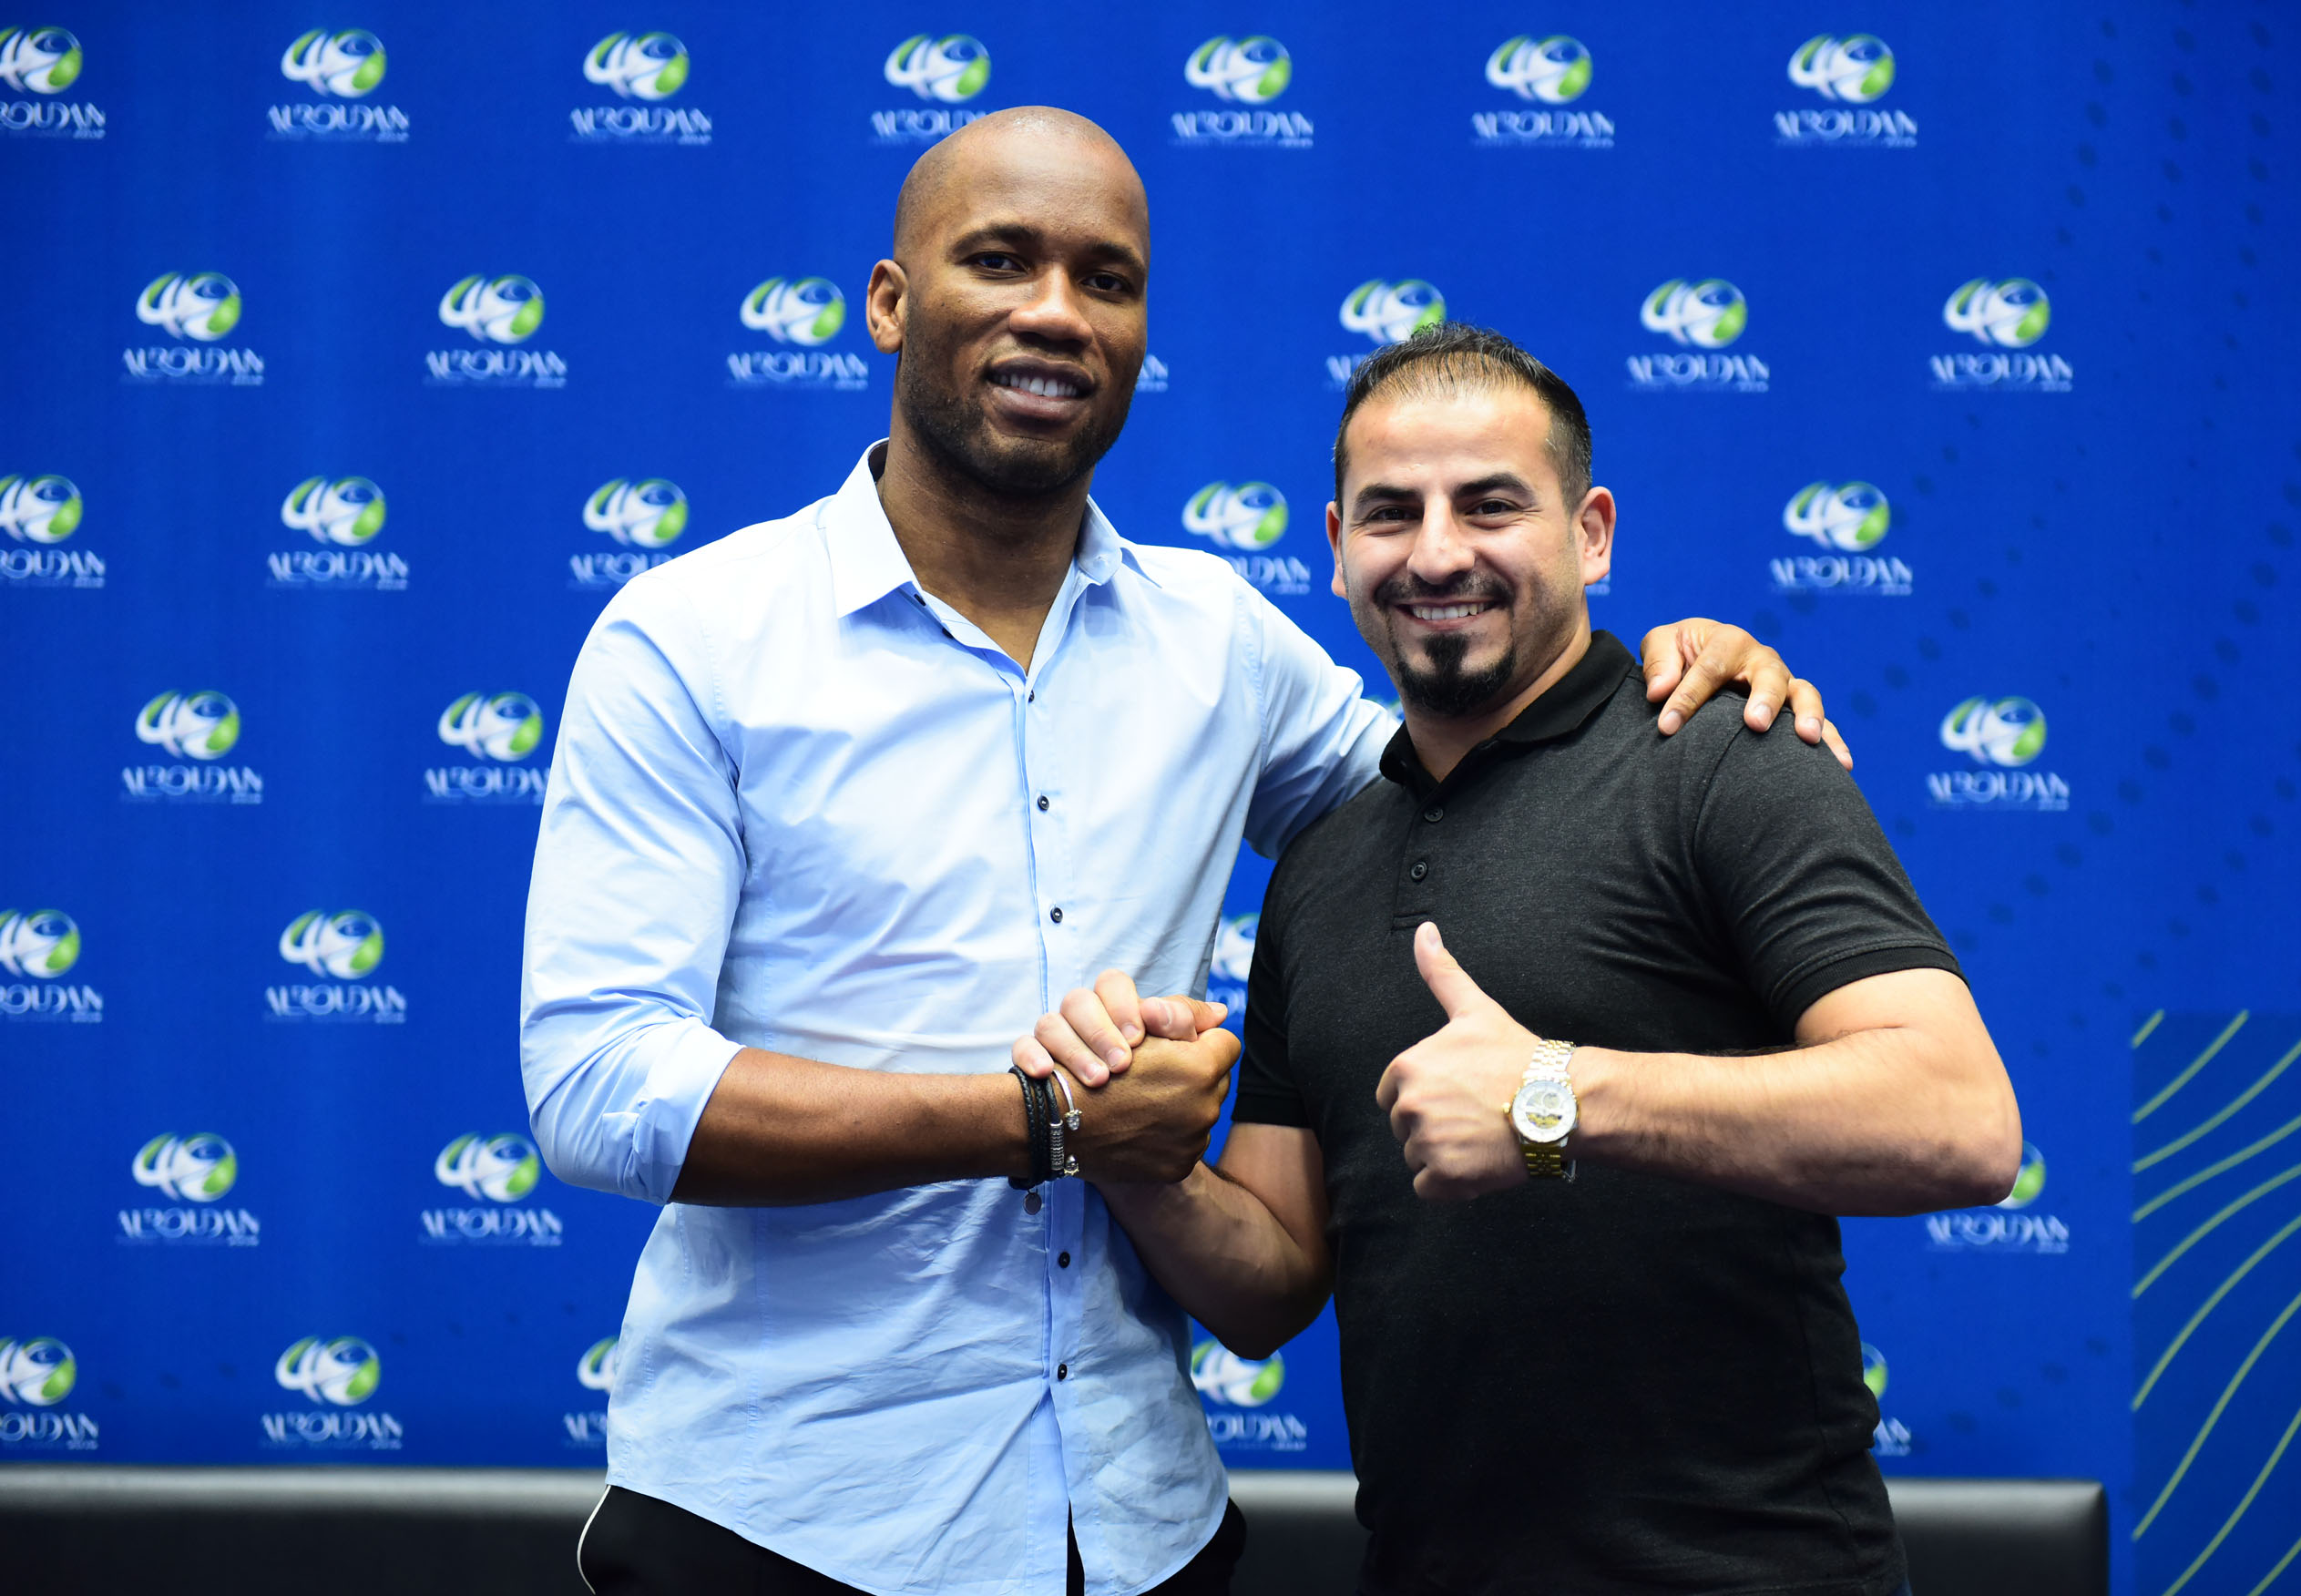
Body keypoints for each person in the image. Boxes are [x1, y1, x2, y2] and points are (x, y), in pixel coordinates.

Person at [523, 109, 1849, 1596]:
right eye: (1000, 261)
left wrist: (1671, 666)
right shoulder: (692, 641)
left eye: (1106, 279)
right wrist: (1035, 1126)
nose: (1055, 313)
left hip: (1138, 1531)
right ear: (889, 303)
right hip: (785, 1527)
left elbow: (1478, 776)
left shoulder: (1220, 645)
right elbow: (599, 1086)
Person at [1032, 323, 2020, 1595]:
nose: (1438, 552)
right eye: (1392, 513)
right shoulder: (1321, 863)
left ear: (1590, 534)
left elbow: (1960, 1120)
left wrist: (1554, 1099)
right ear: (1335, 548)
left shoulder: (1718, 757)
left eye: (1490, 506)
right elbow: (1271, 1283)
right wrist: (1136, 1159)